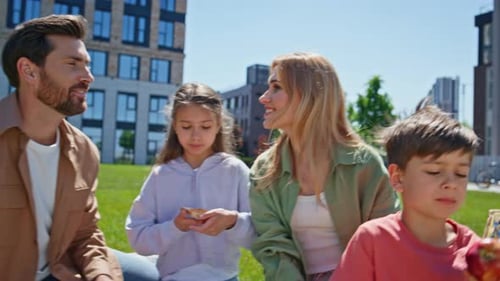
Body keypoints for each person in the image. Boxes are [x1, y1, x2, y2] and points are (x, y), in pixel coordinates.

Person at [0, 14, 158, 281]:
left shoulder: (84, 151)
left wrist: (101, 276)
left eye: (87, 65)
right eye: (73, 64)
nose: (88, 77)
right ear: (29, 71)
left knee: (150, 274)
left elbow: (85, 233)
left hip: (59, 268)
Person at [249, 52, 399, 281]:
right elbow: (272, 246)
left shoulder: (364, 164)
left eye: (276, 87)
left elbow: (386, 240)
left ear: (309, 96)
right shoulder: (264, 170)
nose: (264, 98)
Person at [330, 105, 481, 281]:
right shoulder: (373, 240)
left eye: (461, 174)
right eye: (434, 171)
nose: (451, 184)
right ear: (398, 178)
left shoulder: (475, 251)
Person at [126, 82, 256, 281]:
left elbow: (259, 233)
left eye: (205, 127)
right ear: (175, 127)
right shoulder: (161, 175)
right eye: (186, 127)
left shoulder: (235, 171)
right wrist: (174, 227)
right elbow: (138, 237)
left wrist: (231, 222)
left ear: (218, 125)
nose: (196, 136)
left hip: (224, 278)